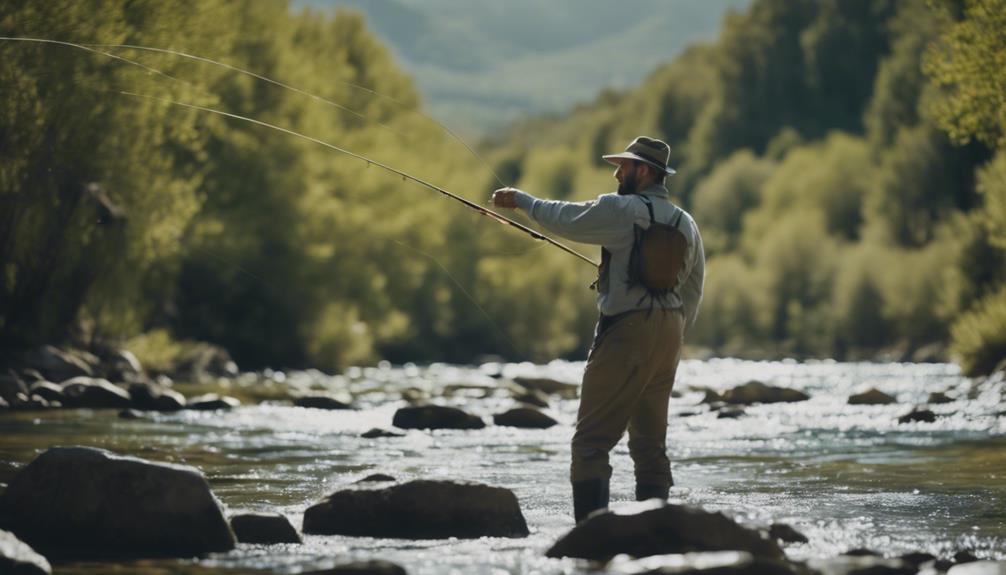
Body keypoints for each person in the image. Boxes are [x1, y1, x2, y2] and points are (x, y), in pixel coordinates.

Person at [491, 136, 705, 522]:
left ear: (643, 171)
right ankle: (657, 536)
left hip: (625, 330)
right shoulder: (685, 223)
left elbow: (564, 218)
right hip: (671, 331)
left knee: (591, 443)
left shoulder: (621, 210)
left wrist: (522, 200)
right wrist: (670, 329)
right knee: (650, 445)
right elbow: (693, 287)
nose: (617, 172)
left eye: (624, 165)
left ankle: (591, 543)